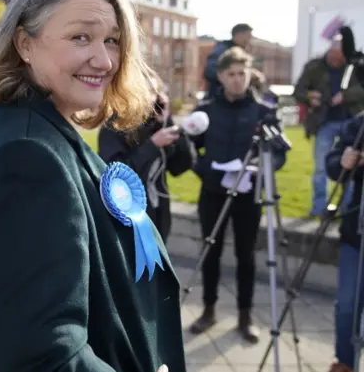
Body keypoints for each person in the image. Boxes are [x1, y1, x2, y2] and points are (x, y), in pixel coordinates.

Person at [0, 0, 186, 372]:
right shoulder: (25, 155)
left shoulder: (22, 123)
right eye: (81, 37)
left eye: (112, 40)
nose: (105, 59)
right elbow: (46, 357)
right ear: (25, 44)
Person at [188, 47, 288, 343]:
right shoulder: (205, 111)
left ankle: (245, 316)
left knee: (246, 256)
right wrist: (205, 169)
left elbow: (280, 153)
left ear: (250, 74)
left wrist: (261, 167)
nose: (236, 80)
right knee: (211, 251)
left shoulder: (264, 112)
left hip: (248, 194)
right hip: (214, 192)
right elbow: (189, 147)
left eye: (241, 73)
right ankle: (208, 310)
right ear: (220, 76)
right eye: (230, 74)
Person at [98, 91, 195, 242]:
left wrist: (167, 121)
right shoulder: (113, 127)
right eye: (145, 91)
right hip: (128, 214)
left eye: (154, 93)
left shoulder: (156, 125)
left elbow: (181, 166)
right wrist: (152, 145)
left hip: (159, 213)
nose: (150, 98)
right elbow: (115, 177)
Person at [294, 38, 364, 217]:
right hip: (324, 121)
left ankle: (348, 209)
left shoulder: (354, 66)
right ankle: (319, 207)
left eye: (340, 57)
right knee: (321, 167)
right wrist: (310, 96)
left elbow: (361, 89)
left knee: (350, 164)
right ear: (328, 52)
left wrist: (345, 96)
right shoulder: (314, 66)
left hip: (351, 121)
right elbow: (299, 90)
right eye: (333, 56)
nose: (336, 60)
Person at [326, 112, 364, 372]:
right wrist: (344, 161)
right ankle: (345, 362)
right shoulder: (358, 123)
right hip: (356, 234)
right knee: (347, 307)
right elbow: (332, 162)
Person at [203, 24, 265, 98]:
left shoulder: (240, 51)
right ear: (239, 35)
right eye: (248, 36)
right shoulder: (222, 51)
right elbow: (209, 71)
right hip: (220, 100)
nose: (250, 40)